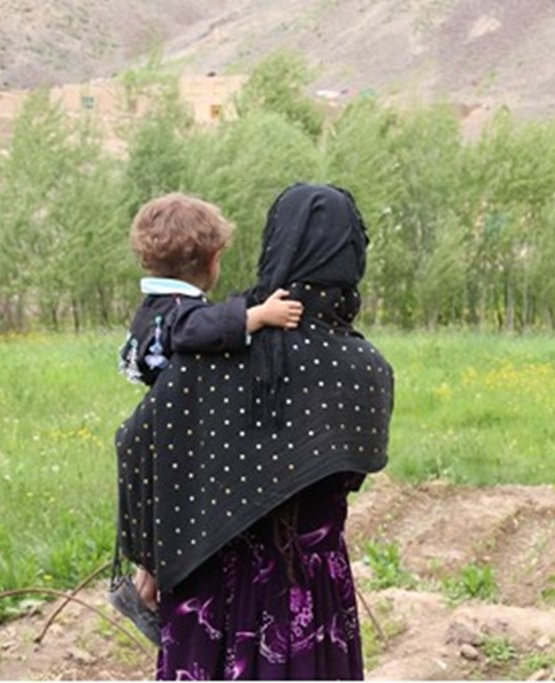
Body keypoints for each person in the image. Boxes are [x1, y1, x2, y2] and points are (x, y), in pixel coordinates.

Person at [114, 183, 394, 679]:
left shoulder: (213, 353)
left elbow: (140, 443)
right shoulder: (368, 369)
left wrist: (151, 559)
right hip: (312, 593)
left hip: (207, 578)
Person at [111, 192, 304, 645]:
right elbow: (200, 329)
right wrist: (257, 316)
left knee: (158, 518)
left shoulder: (159, 305)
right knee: (173, 519)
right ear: (213, 259)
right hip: (171, 434)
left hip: (155, 431)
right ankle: (149, 596)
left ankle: (147, 590)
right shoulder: (179, 311)